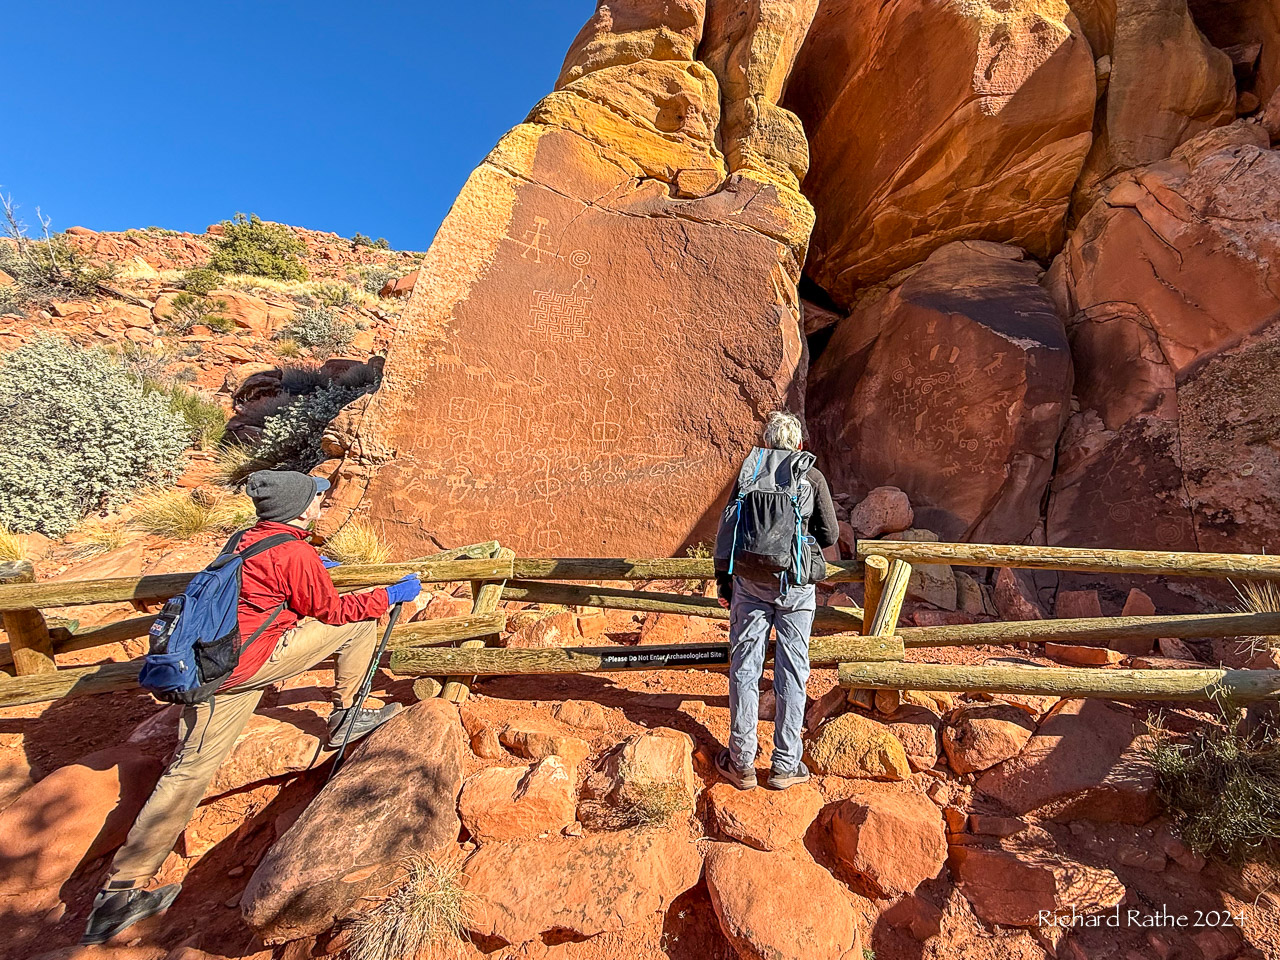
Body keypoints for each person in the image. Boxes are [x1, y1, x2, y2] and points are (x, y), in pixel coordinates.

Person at [82, 470, 422, 945]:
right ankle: (346, 715)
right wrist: (390, 595)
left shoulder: (248, 537)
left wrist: (311, 567)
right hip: (251, 663)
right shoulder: (293, 551)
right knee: (362, 622)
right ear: (299, 509)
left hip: (214, 670)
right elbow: (332, 611)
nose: (321, 506)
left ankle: (119, 895)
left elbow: (257, 585)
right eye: (316, 501)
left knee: (188, 770)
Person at [714, 411, 839, 791]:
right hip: (795, 585)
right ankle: (786, 764)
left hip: (749, 585)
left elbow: (728, 530)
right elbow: (830, 533)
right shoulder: (810, 475)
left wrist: (724, 583)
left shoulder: (750, 472)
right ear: (798, 443)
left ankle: (742, 763)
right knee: (792, 670)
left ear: (767, 443)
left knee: (746, 669)